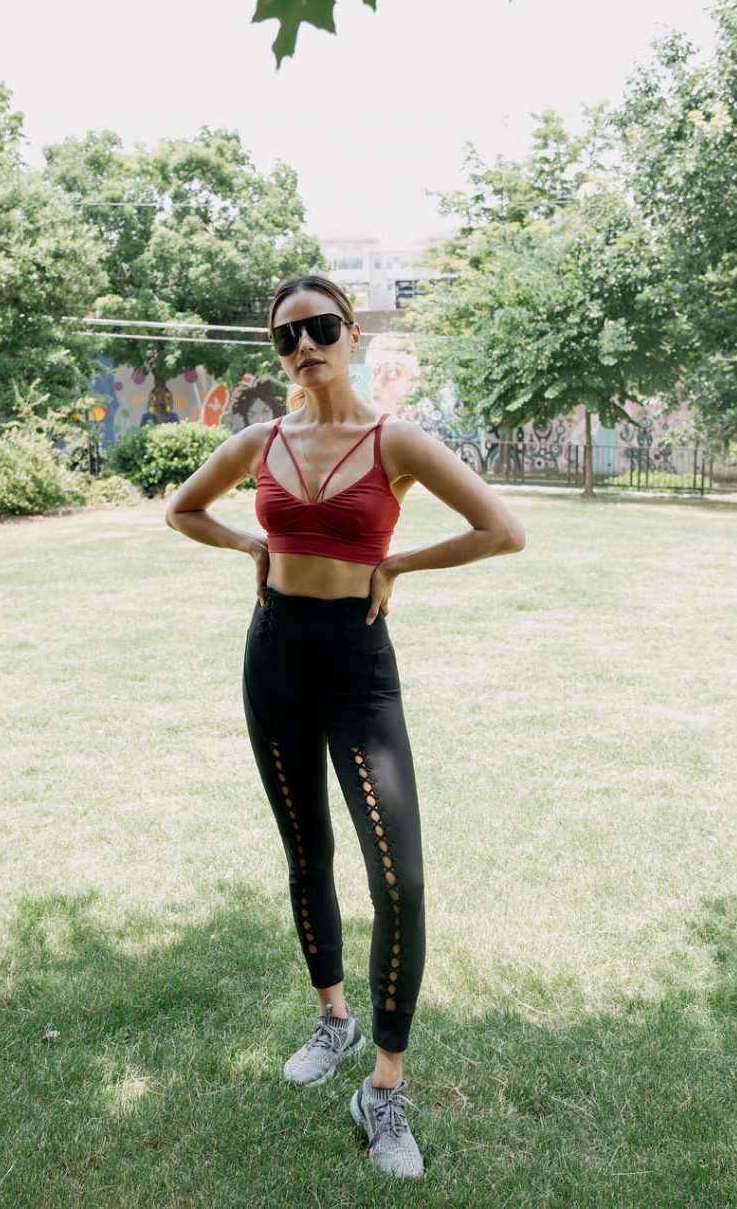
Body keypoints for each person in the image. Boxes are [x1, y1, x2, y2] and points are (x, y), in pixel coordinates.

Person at [165, 274, 525, 1178]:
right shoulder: (259, 440)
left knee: (401, 880)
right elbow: (182, 509)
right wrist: (249, 544)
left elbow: (500, 529)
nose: (305, 346)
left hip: (358, 670)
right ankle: (334, 1019)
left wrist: (396, 564)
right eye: (288, 335)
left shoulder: (393, 439)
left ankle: (384, 1085)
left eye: (321, 327)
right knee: (306, 850)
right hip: (275, 658)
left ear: (352, 333)